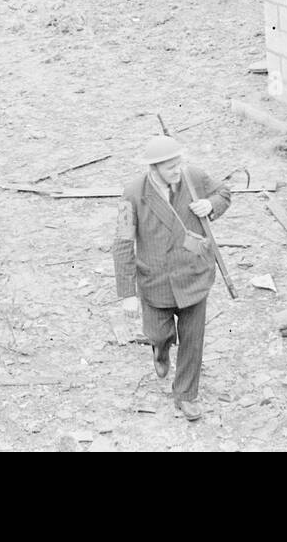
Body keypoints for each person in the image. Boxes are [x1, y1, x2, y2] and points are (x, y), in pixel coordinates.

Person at [111, 134, 232, 421]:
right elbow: (123, 242)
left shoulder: (193, 177)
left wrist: (211, 205)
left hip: (193, 275)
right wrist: (127, 293)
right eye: (170, 168)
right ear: (153, 169)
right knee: (157, 332)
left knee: (193, 339)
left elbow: (223, 193)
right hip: (156, 280)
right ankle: (160, 348)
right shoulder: (133, 194)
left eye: (179, 163)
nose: (178, 171)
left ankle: (186, 395)